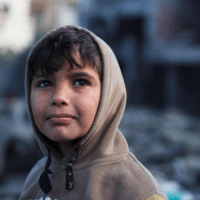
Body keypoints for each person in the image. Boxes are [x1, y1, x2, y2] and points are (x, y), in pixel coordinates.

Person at [19, 25, 168, 200]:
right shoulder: (37, 176)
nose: (59, 97)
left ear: (108, 94)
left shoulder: (137, 190)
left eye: (80, 82)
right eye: (44, 84)